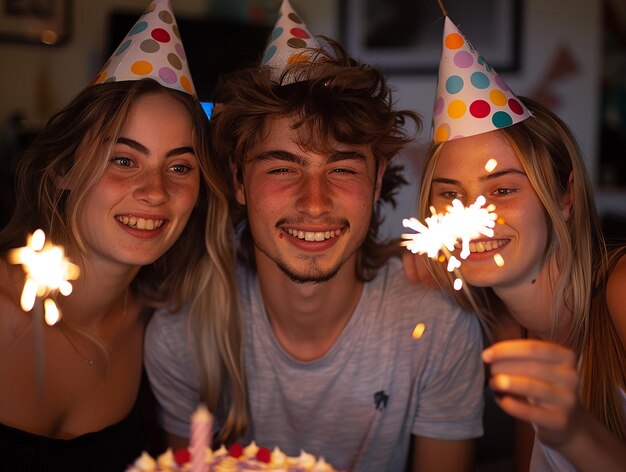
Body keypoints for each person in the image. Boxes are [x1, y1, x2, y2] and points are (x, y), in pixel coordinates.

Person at [144, 2, 485, 471]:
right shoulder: (181, 336)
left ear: (378, 178)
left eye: (341, 168)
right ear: (239, 181)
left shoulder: (437, 324)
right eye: (283, 167)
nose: (315, 202)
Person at [0, 1, 246, 470]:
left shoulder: (164, 331)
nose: (155, 191)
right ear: (63, 169)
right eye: (124, 160)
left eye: (179, 167)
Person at [406, 14, 626, 472]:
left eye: (503, 190)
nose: (473, 218)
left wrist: (573, 430)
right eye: (450, 195)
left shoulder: (621, 294)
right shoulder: (496, 329)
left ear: (564, 196)